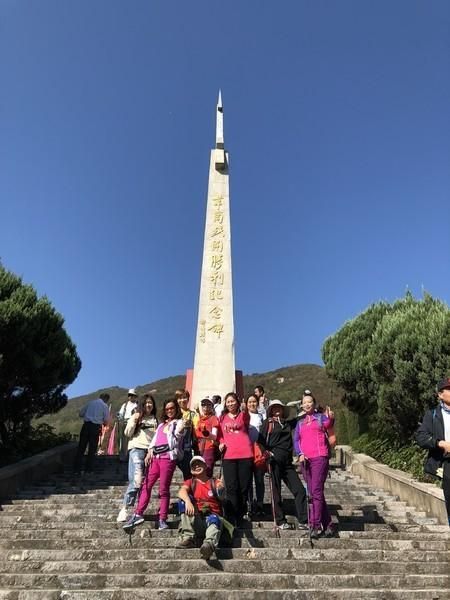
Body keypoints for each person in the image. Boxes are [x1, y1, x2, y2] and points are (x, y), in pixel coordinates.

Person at [123, 398, 185, 531]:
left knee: (163, 489)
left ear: (176, 409)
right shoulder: (161, 424)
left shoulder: (179, 423)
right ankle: (138, 513)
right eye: (167, 409)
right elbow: (154, 441)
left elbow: (179, 435)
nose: (169, 411)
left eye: (172, 408)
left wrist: (180, 428)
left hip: (168, 458)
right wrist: (150, 452)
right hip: (155, 458)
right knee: (146, 485)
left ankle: (162, 519)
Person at [258, 399, 308, 530]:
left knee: (300, 490)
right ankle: (280, 521)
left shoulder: (287, 424)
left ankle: (304, 520)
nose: (277, 410)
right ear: (271, 410)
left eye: (279, 408)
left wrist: (316, 410)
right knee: (276, 492)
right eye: (274, 408)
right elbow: (260, 441)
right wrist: (266, 453)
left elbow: (301, 418)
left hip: (287, 464)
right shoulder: (267, 423)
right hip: (273, 462)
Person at [294, 394, 336, 538]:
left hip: (320, 458)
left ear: (314, 403)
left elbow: (328, 424)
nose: (307, 404)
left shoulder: (320, 418)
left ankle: (314, 524)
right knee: (314, 492)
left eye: (309, 402)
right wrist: (299, 453)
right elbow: (296, 441)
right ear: (301, 405)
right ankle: (329, 524)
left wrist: (330, 417)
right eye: (304, 402)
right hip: (305, 460)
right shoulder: (300, 423)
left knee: (316, 491)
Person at [116, 394, 158, 522]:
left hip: (150, 452)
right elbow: (127, 433)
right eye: (145, 403)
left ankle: (138, 511)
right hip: (137, 449)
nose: (148, 405)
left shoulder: (155, 419)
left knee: (145, 484)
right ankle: (125, 508)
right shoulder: (136, 416)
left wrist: (152, 449)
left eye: (150, 403)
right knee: (137, 481)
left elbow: (156, 438)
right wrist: (134, 420)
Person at [177, 455, 226, 559]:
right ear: (191, 470)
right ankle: (188, 537)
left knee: (214, 519)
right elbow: (181, 492)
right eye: (194, 465)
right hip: (197, 519)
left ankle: (208, 545)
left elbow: (222, 495)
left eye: (199, 464)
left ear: (205, 465)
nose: (197, 466)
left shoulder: (214, 482)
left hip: (212, 519)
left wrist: (221, 489)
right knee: (182, 502)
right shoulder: (191, 482)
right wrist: (187, 501)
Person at [416, 377, 450, 527]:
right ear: (440, 394)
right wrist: (440, 443)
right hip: (447, 463)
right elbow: (421, 437)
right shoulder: (433, 415)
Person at [217, 392, 253, 525]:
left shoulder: (243, 415)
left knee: (244, 487)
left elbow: (247, 419)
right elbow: (220, 434)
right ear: (225, 404)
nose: (231, 403)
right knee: (231, 487)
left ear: (237, 402)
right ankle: (232, 517)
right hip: (229, 455)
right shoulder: (222, 418)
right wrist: (221, 442)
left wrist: (245, 410)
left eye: (233, 401)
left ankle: (241, 514)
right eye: (228, 402)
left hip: (245, 454)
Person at [74, 393, 110, 474]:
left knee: (81, 447)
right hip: (95, 427)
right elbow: (106, 419)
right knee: (92, 448)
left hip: (86, 426)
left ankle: (77, 469)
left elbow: (81, 414)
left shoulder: (90, 403)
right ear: (106, 399)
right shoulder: (104, 406)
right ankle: (88, 469)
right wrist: (103, 423)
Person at [246, 394, 265, 515]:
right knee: (247, 480)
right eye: (250, 402)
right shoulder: (243, 416)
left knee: (259, 479)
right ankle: (249, 504)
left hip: (259, 451)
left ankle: (260, 504)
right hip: (246, 451)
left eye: (254, 402)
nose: (252, 404)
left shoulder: (262, 417)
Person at [192, 397, 220, 476]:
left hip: (209, 447)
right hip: (199, 448)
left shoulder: (214, 418)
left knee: (207, 471)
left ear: (212, 407)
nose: (206, 407)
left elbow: (214, 436)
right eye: (203, 405)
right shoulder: (200, 419)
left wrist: (206, 434)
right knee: (198, 471)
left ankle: (208, 487)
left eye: (208, 405)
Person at [176, 389, 197, 479]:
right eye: (179, 398)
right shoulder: (173, 413)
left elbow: (196, 430)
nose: (182, 400)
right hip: (172, 448)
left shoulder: (193, 414)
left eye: (184, 397)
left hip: (186, 449)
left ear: (188, 399)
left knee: (188, 476)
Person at [117, 388, 139, 462]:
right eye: (129, 395)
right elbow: (120, 415)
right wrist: (119, 417)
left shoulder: (137, 405)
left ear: (135, 396)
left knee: (132, 440)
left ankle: (130, 456)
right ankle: (122, 457)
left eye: (132, 395)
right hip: (125, 423)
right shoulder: (125, 405)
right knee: (123, 441)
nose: (130, 397)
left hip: (134, 423)